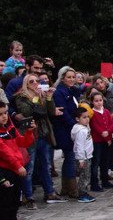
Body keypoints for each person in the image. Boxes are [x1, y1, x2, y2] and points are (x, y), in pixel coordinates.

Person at [13, 74, 61, 207]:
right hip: (30, 135)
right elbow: (28, 112)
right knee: (30, 167)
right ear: (26, 84)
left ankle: (50, 192)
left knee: (46, 165)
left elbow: (51, 112)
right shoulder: (21, 97)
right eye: (31, 81)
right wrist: (35, 98)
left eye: (37, 81)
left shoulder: (42, 96)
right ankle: (28, 197)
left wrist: (49, 97)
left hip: (43, 134)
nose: (35, 83)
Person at [0, 100, 35, 220]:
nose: (4, 116)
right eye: (0, 114)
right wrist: (17, 165)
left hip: (17, 168)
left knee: (15, 199)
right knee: (5, 201)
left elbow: (23, 142)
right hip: (6, 169)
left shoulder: (9, 128)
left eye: (5, 113)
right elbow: (4, 152)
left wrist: (29, 132)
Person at [52, 66, 81, 198]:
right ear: (62, 78)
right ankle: (71, 188)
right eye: (68, 77)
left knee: (71, 157)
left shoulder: (74, 90)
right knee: (70, 157)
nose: (71, 79)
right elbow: (63, 112)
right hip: (66, 129)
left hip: (74, 127)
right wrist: (75, 125)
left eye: (73, 77)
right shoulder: (59, 92)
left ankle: (67, 187)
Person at [87, 91, 113, 193]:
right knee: (96, 162)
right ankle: (94, 183)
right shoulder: (92, 113)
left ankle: (105, 181)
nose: (99, 103)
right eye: (96, 101)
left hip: (107, 140)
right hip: (97, 141)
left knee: (105, 161)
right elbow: (95, 126)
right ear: (92, 102)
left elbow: (111, 124)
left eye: (100, 100)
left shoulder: (106, 111)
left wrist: (108, 132)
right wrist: (102, 132)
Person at [71, 105, 97, 203]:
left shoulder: (84, 128)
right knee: (84, 176)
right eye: (84, 117)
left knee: (86, 175)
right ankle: (82, 194)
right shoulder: (81, 131)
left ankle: (84, 192)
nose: (87, 119)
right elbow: (79, 145)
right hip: (83, 157)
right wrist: (81, 159)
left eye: (87, 117)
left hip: (87, 156)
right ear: (77, 119)